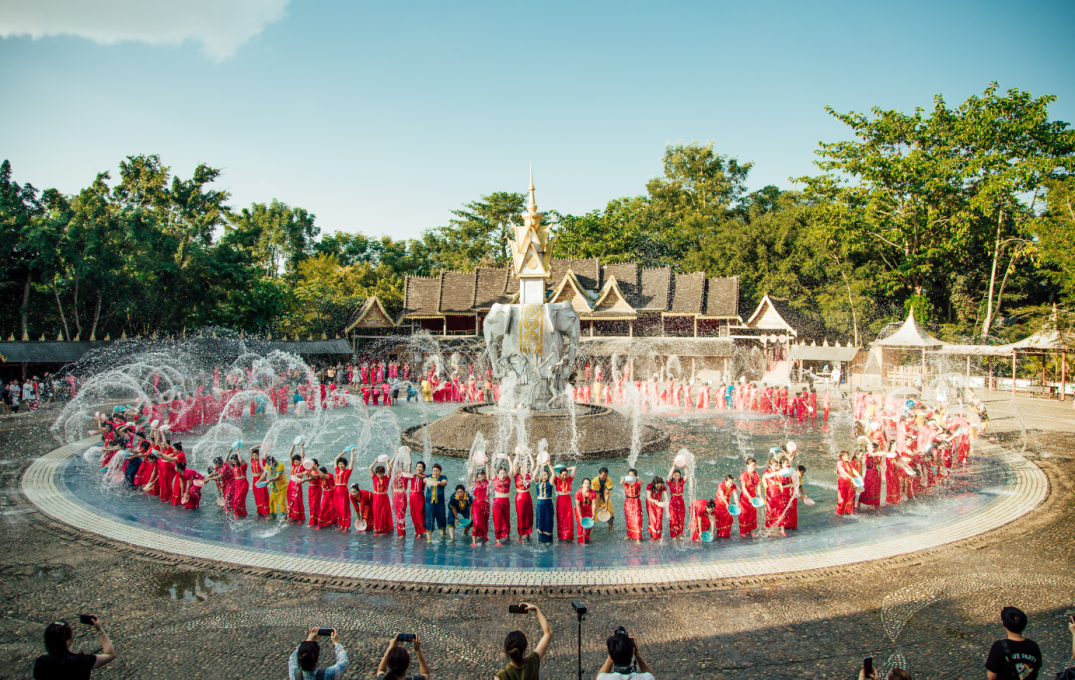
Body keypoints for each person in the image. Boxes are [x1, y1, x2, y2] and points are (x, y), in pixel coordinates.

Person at [34, 615, 116, 679]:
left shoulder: (40, 662)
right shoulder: (80, 661)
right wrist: (100, 630)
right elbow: (110, 655)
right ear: (67, 642)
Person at [497, 603, 552, 680]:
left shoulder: (502, 676)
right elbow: (548, 633)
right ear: (525, 648)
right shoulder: (532, 662)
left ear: (507, 650)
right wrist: (537, 610)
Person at [985, 606, 1042, 680]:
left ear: (1003, 624)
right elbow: (1036, 672)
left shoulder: (999, 647)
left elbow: (991, 676)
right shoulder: (1034, 646)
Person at [424, 463, 448, 539]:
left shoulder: (442, 477)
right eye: (434, 471)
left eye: (437, 471)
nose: (435, 473)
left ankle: (443, 532)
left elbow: (445, 482)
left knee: (442, 517)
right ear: (432, 471)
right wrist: (427, 480)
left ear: (440, 471)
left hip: (440, 503)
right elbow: (424, 480)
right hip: (429, 503)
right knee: (429, 519)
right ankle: (429, 537)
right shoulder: (429, 477)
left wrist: (438, 483)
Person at [554, 464, 576, 542]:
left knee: (569, 518)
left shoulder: (569, 479)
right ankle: (560, 537)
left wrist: (566, 468)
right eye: (563, 475)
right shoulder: (556, 480)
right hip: (560, 500)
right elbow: (552, 472)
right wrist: (554, 468)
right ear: (559, 474)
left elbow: (574, 467)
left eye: (566, 475)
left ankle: (571, 536)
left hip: (568, 500)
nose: (564, 476)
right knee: (561, 518)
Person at [534, 465, 554, 544]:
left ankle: (548, 539)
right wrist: (538, 465)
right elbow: (534, 475)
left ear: (548, 476)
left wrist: (549, 464)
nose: (544, 477)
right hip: (540, 504)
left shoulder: (550, 482)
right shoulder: (537, 482)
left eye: (545, 475)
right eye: (542, 475)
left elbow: (554, 475)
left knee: (548, 520)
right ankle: (541, 538)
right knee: (540, 520)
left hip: (548, 504)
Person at [622, 468, 643, 543]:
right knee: (628, 519)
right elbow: (621, 482)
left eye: (632, 475)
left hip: (636, 501)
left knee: (637, 519)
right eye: (629, 475)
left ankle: (638, 537)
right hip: (628, 502)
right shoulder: (626, 482)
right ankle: (629, 535)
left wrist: (637, 478)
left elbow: (642, 482)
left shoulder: (637, 482)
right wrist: (624, 478)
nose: (630, 476)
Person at [592, 467, 615, 531]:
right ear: (599, 474)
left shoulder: (609, 480)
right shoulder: (594, 481)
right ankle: (591, 529)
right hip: (595, 499)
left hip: (605, 499)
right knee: (593, 514)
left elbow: (607, 494)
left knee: (611, 513)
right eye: (603, 476)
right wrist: (599, 506)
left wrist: (606, 506)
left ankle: (610, 529)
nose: (604, 477)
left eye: (606, 475)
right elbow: (597, 494)